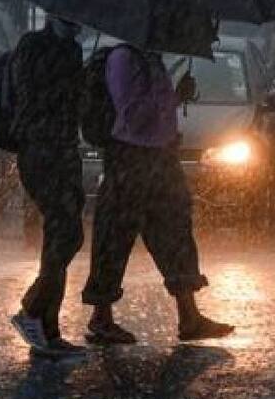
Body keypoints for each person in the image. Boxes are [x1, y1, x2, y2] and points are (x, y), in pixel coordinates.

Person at [81, 44, 233, 344]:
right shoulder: (124, 59)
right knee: (115, 236)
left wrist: (177, 97)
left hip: (161, 158)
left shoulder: (152, 60)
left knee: (175, 233)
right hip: (131, 158)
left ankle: (189, 316)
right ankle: (101, 316)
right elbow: (133, 115)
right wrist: (169, 100)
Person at [8, 16, 86, 358]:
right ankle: (34, 313)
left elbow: (73, 105)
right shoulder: (32, 46)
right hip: (40, 148)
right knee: (64, 232)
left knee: (65, 235)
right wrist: (72, 83)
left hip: (65, 148)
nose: (75, 25)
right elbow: (35, 94)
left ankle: (45, 324)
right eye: (69, 18)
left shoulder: (72, 49)